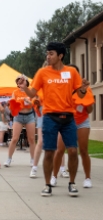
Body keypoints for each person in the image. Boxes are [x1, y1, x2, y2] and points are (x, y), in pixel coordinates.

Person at [18, 42, 89, 197]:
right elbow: (32, 94)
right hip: (50, 117)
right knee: (49, 152)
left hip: (68, 117)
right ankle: (47, 185)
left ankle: (71, 184)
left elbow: (81, 95)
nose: (47, 56)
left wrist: (83, 89)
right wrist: (24, 87)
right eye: (47, 53)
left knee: (72, 150)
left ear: (60, 55)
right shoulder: (43, 73)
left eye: (51, 53)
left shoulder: (71, 72)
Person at [51, 64, 94, 188]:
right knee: (59, 150)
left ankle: (87, 178)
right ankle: (54, 176)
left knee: (84, 150)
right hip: (65, 122)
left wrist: (87, 100)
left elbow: (90, 110)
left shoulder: (85, 88)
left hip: (82, 122)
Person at [4, 75, 36, 167]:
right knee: (14, 139)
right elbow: (12, 104)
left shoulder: (30, 91)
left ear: (26, 82)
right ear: (17, 83)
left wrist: (30, 102)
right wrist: (13, 104)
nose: (21, 82)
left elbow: (35, 103)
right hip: (18, 116)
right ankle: (9, 159)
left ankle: (33, 160)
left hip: (29, 116)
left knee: (31, 139)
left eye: (23, 80)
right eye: (19, 81)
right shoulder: (15, 92)